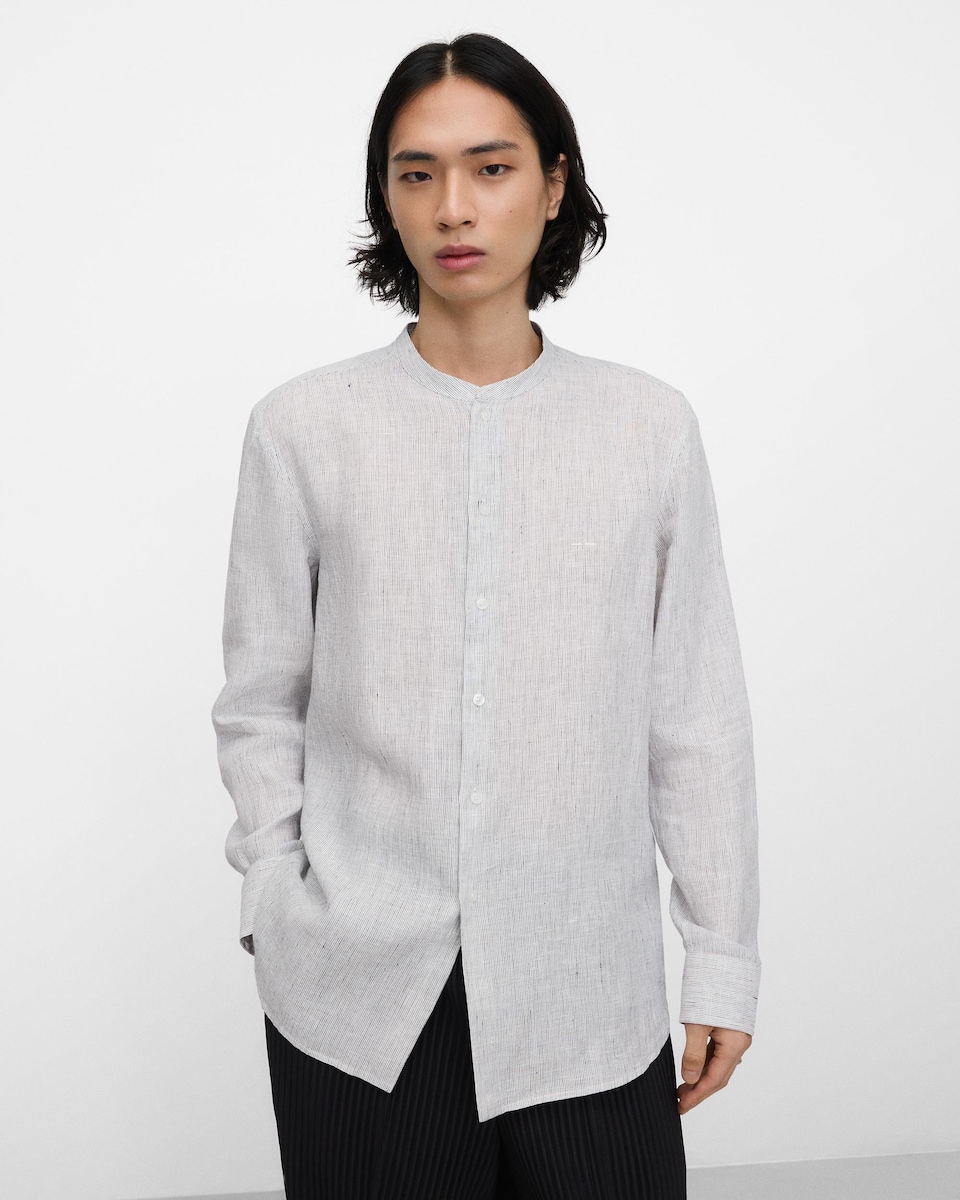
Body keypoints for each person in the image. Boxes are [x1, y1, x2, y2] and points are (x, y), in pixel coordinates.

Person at [211, 30, 760, 1200]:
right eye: (416, 173)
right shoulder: (302, 428)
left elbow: (695, 720)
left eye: (491, 167)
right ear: (387, 198)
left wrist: (720, 958)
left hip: (588, 997)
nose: (453, 206)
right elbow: (261, 702)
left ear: (555, 185)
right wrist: (274, 899)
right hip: (358, 1003)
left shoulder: (648, 429)